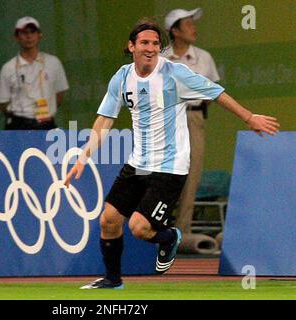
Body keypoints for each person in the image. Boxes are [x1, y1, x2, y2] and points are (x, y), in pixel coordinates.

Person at [64, 20, 279, 289]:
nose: (151, 48)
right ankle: (113, 280)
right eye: (144, 42)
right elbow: (104, 119)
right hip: (137, 164)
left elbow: (216, 93)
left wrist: (249, 117)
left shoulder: (175, 74)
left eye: (155, 43)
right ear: (131, 47)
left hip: (169, 167)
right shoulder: (121, 77)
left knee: (140, 228)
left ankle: (168, 238)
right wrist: (84, 157)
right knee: (108, 220)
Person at [161, 8, 221, 241]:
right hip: (167, 118)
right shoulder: (162, 58)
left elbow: (213, 92)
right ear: (174, 31)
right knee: (165, 172)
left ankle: (181, 232)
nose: (193, 27)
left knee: (192, 173)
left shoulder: (204, 57)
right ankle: (157, 227)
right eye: (187, 24)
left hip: (194, 116)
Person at [0, 16, 69, 130]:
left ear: (40, 35)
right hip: (18, 125)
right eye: (24, 32)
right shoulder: (8, 68)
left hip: (46, 124)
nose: (29, 36)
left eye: (33, 31)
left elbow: (59, 95)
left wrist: (45, 111)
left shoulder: (53, 62)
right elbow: (3, 104)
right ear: (16, 37)